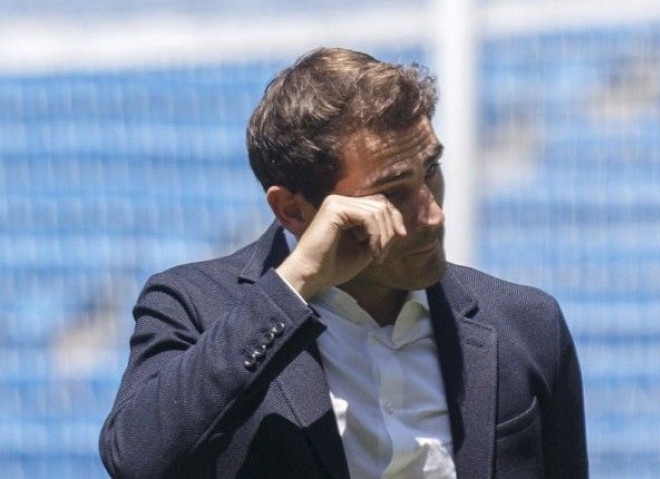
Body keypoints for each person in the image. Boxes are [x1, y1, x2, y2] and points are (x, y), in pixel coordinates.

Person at [99, 47, 588, 479]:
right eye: (392, 193)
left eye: (431, 170)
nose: (433, 215)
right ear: (293, 210)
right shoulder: (193, 306)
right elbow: (137, 459)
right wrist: (292, 287)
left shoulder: (527, 324)